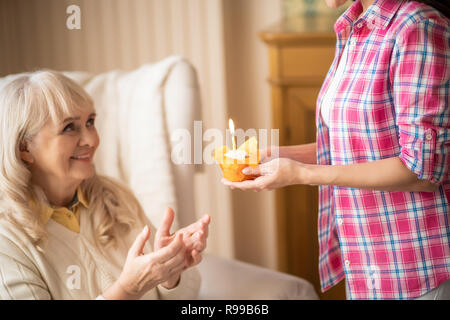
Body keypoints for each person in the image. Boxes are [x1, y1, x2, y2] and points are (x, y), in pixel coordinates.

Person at [223, 0, 449, 300]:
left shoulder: (416, 27)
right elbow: (352, 146)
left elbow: (422, 170)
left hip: (415, 266)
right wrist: (278, 156)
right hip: (366, 262)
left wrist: (301, 173)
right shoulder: (355, 27)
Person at [0, 70, 210, 300]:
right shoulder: (6, 242)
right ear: (24, 148)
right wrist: (128, 290)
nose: (91, 140)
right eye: (69, 127)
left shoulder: (114, 197)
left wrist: (171, 274)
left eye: (90, 122)